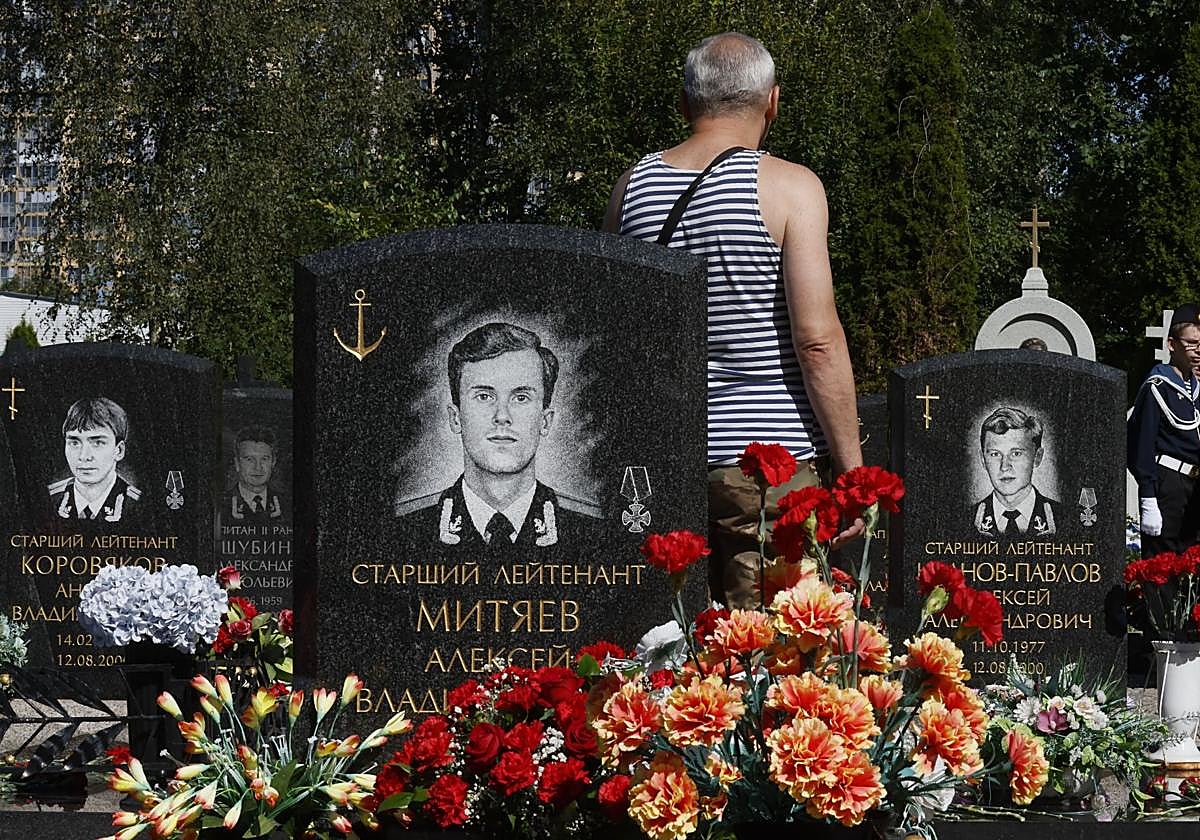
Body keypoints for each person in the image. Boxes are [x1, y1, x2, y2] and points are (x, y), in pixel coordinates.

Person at [602, 32, 863, 607]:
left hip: (663, 460)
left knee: (671, 658)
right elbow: (817, 341)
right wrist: (851, 472)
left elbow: (611, 332)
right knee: (770, 656)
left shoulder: (631, 190)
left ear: (684, 103)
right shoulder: (791, 189)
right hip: (769, 467)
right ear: (772, 101)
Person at [397, 322, 601, 551]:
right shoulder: (402, 532)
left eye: (521, 397)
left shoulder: (595, 533)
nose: (502, 416)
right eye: (484, 396)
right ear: (456, 418)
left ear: (545, 421)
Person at [1128, 304, 1200, 555]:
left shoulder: (1196, 386)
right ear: (1172, 344)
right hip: (1168, 483)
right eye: (1191, 343)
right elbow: (1141, 443)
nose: (1198, 350)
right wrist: (1148, 497)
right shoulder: (1158, 386)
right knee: (1163, 565)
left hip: (1195, 486)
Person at [971, 407, 1062, 537]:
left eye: (1016, 453)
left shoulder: (1065, 519)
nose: (1005, 466)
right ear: (983, 460)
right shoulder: (964, 522)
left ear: (1037, 457)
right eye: (995, 454)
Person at [48, 397, 141, 523]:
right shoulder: (49, 497)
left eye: (97, 442)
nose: (84, 456)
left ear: (118, 451)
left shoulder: (137, 502)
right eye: (74, 442)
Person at [226, 425, 286, 524]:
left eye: (264, 459)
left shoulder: (287, 504)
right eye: (249, 459)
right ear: (237, 464)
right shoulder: (220, 505)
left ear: (273, 463)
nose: (258, 467)